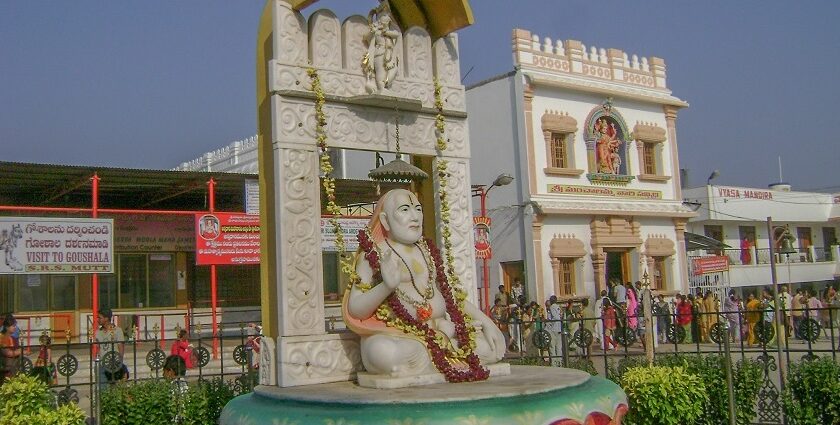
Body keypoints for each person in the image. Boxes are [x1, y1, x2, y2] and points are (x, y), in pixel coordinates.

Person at [343, 189, 505, 380]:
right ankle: (441, 358)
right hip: (401, 335)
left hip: (442, 330)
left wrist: (485, 320)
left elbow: (448, 295)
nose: (415, 217)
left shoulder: (427, 251)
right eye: (405, 210)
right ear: (385, 221)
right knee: (383, 352)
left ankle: (439, 356)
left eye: (418, 209)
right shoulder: (373, 254)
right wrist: (386, 286)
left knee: (489, 346)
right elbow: (355, 309)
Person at [362, 3, 400, 94]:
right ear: (379, 17)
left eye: (387, 15)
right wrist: (373, 31)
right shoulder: (376, 30)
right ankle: (381, 88)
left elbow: (397, 34)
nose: (386, 17)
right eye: (383, 15)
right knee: (380, 72)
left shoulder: (389, 31)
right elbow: (366, 37)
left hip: (390, 56)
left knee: (394, 70)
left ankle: (386, 85)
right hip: (379, 53)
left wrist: (386, 32)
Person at [96, 309, 126, 387]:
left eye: (99, 318)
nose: (97, 319)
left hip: (114, 363)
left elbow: (121, 347)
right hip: (103, 363)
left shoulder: (117, 331)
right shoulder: (98, 332)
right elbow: (98, 348)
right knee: (102, 387)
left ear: (106, 318)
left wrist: (120, 362)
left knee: (115, 387)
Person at [0, 315, 22, 384]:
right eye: (13, 326)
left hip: (14, 368)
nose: (15, 328)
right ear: (7, 327)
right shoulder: (2, 337)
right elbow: (7, 353)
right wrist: (20, 351)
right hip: (5, 369)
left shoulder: (13, 338)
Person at [545, 295, 563, 365]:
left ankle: (554, 363)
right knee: (558, 347)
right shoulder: (558, 307)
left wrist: (550, 322)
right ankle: (559, 362)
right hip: (558, 328)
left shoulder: (552, 307)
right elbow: (560, 316)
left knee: (552, 346)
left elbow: (555, 317)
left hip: (553, 329)